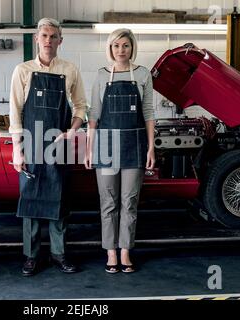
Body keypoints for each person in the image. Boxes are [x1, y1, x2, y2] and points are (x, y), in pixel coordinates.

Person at [9, 18, 87, 276]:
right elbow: (16, 110)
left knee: (59, 200)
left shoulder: (70, 69)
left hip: (59, 143)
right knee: (30, 200)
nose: (48, 40)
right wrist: (17, 149)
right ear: (37, 39)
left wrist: (72, 131)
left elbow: (80, 107)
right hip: (30, 142)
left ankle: (58, 253)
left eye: (54, 36)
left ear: (60, 41)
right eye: (44, 35)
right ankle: (31, 257)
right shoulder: (22, 70)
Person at [84, 28, 156, 274]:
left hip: (135, 146)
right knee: (109, 202)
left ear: (132, 47)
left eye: (125, 45)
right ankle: (110, 251)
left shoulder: (144, 75)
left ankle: (125, 250)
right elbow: (93, 115)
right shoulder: (102, 75)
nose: (121, 50)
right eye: (116, 46)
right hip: (105, 147)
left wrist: (151, 149)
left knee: (129, 201)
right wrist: (89, 148)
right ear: (110, 49)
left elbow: (148, 114)